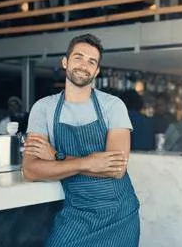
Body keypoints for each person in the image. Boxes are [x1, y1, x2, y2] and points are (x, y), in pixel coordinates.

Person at [22, 33, 140, 247]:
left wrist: (57, 156)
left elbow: (116, 169)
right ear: (65, 62)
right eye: (78, 57)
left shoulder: (113, 106)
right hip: (76, 212)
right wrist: (90, 162)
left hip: (119, 215)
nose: (84, 65)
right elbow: (31, 170)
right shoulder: (43, 108)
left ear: (96, 71)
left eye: (91, 61)